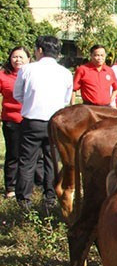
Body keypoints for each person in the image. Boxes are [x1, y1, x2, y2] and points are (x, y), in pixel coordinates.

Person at [13, 35, 73, 211]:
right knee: (52, 160)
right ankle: (50, 197)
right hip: (56, 122)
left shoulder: (27, 69)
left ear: (39, 50)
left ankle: (24, 200)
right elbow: (65, 99)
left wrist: (31, 102)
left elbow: (18, 95)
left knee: (27, 161)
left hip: (32, 121)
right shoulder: (65, 73)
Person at [1, 47, 33, 198]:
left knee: (29, 155)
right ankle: (11, 187)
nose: (18, 60)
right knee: (13, 154)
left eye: (21, 57)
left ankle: (31, 185)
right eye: (15, 57)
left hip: (30, 120)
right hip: (11, 120)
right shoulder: (3, 75)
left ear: (28, 59)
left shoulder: (33, 74)